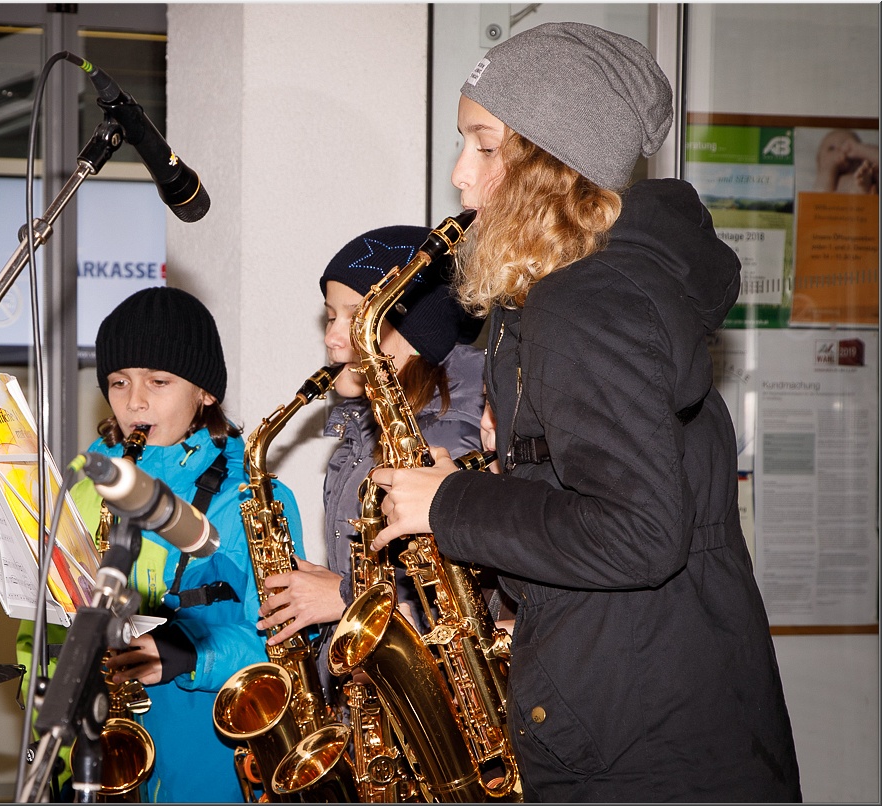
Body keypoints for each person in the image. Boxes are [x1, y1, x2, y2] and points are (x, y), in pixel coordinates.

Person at [370, 22, 802, 802]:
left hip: (638, 744)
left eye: (486, 146)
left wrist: (451, 503)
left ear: (553, 166)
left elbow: (638, 536)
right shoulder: (613, 287)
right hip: (665, 711)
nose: (461, 175)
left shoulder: (586, 302)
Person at [17, 286, 305, 803]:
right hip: (92, 751)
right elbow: (39, 632)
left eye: (159, 381)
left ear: (205, 392)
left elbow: (285, 647)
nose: (135, 401)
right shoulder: (82, 491)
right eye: (119, 382)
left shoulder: (255, 499)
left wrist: (188, 652)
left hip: (209, 763)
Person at [254, 225, 500, 704]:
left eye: (355, 316)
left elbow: (466, 595)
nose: (331, 338)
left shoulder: (457, 435)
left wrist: (342, 597)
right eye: (331, 317)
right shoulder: (361, 428)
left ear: (418, 331)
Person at [814, 127, 879, 194]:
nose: (841, 151)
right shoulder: (822, 178)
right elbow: (821, 194)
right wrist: (829, 168)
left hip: (861, 187)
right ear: (818, 160)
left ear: (861, 161)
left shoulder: (861, 173)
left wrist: (859, 149)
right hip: (835, 198)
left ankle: (863, 186)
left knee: (860, 178)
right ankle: (861, 187)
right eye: (831, 148)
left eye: (848, 147)